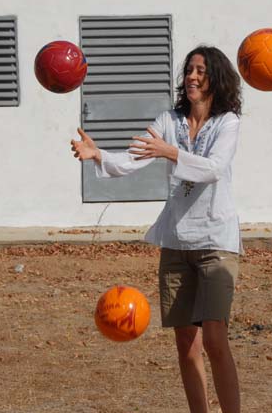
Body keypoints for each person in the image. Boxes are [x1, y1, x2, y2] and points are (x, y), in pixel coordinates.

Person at [71, 45, 243, 413]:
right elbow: (136, 158)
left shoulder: (227, 122)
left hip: (216, 241)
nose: (193, 77)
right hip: (176, 241)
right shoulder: (171, 120)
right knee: (187, 344)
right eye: (189, 70)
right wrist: (99, 155)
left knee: (215, 340)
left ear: (217, 79)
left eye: (202, 71)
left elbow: (213, 168)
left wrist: (170, 153)